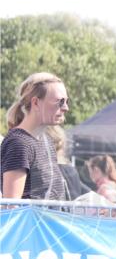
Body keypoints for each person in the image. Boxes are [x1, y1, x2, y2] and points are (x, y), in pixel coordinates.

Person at [1, 72, 70, 201]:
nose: (66, 108)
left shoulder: (47, 140)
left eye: (67, 101)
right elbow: (12, 206)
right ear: (36, 103)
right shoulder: (18, 143)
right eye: (60, 102)